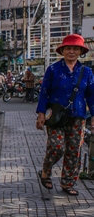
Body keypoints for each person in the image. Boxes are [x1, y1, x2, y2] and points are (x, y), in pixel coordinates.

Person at [36, 34, 94, 196]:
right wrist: (41, 113)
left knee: (74, 149)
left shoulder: (87, 72)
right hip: (55, 116)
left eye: (75, 49)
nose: (71, 51)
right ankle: (46, 170)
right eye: (68, 48)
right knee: (56, 146)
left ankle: (67, 183)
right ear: (62, 50)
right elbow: (44, 93)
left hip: (78, 116)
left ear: (80, 52)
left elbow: (91, 96)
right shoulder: (53, 69)